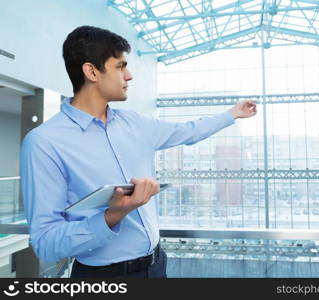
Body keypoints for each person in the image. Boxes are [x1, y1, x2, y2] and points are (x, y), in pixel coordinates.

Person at [20, 25, 257, 278]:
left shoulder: (135, 124)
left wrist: (232, 114)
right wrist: (115, 214)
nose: (130, 75)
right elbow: (46, 243)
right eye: (120, 66)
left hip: (157, 265)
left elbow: (189, 131)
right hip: (103, 277)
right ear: (91, 72)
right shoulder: (45, 142)